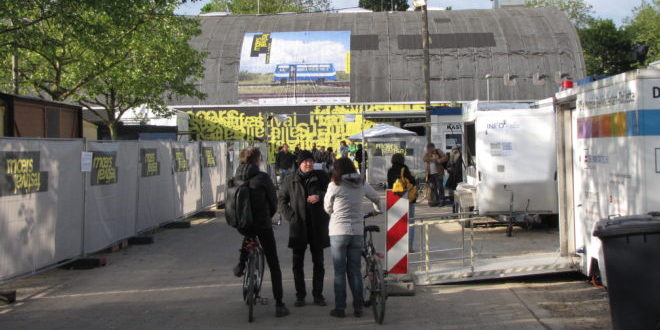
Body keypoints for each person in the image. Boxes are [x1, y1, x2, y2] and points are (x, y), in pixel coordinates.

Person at [231, 147, 289, 317]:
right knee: (274, 263)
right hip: (262, 224)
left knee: (248, 234)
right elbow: (273, 202)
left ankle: (241, 263)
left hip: (242, 224)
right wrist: (270, 215)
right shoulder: (262, 178)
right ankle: (279, 304)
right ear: (257, 161)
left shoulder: (235, 178)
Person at [324, 157, 381, 318]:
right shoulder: (361, 183)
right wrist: (377, 210)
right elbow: (376, 197)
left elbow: (327, 207)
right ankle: (358, 307)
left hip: (338, 231)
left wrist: (334, 214)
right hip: (357, 232)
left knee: (340, 271)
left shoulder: (334, 185)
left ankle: (340, 308)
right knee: (355, 270)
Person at [278, 150, 331, 307]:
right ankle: (300, 295)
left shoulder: (321, 176)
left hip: (317, 226)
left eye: (310, 161)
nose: (308, 164)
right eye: (305, 161)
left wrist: (319, 196)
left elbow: (331, 194)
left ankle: (318, 295)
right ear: (299, 164)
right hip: (299, 226)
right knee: (297, 263)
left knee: (319, 263)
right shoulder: (290, 180)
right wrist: (291, 217)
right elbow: (281, 200)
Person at [387, 153, 417, 251]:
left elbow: (390, 185)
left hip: (395, 198)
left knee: (397, 222)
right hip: (408, 198)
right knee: (410, 222)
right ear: (402, 160)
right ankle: (409, 247)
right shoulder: (405, 169)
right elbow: (413, 182)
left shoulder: (390, 171)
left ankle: (398, 246)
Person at [445, 146, 464, 213]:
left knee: (457, 196)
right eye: (453, 151)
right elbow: (448, 166)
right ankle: (454, 210)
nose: (454, 152)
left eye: (455, 151)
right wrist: (449, 169)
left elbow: (459, 169)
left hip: (458, 179)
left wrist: (451, 169)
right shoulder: (451, 158)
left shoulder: (461, 158)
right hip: (452, 179)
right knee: (452, 196)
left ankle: (456, 210)